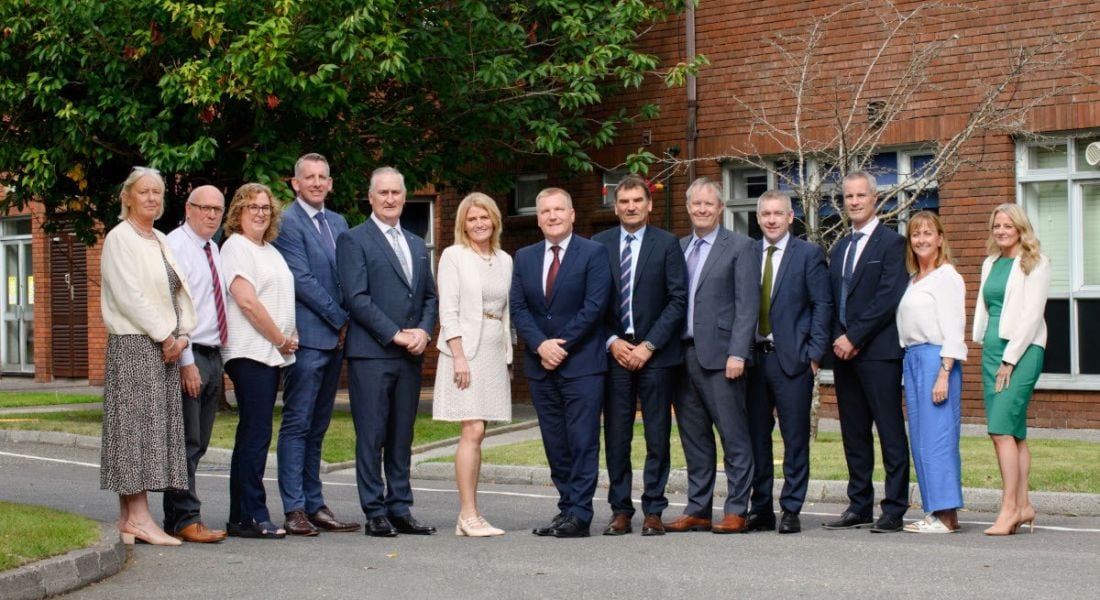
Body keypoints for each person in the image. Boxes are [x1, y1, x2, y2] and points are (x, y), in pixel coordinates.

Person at [337, 166, 439, 537]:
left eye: (397, 192)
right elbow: (356, 298)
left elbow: (429, 296)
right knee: (372, 434)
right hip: (373, 354)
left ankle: (400, 508)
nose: (391, 199)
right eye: (383, 193)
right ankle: (374, 511)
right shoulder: (354, 240)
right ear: (370, 197)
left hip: (411, 354)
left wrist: (424, 332)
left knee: (401, 436)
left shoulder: (416, 242)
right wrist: (395, 334)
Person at [100, 166, 196, 546]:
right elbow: (130, 296)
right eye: (144, 192)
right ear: (127, 197)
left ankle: (129, 518)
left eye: (157, 192)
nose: (153, 199)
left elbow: (177, 292)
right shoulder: (119, 238)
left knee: (151, 430)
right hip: (135, 344)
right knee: (134, 431)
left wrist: (183, 334)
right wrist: (165, 335)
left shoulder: (158, 237)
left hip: (164, 345)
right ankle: (140, 518)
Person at [510, 187, 611, 538]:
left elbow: (595, 307)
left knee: (582, 440)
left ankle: (581, 514)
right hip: (541, 366)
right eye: (545, 211)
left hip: (581, 364)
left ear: (571, 214)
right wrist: (540, 345)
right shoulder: (524, 257)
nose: (552, 216)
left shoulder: (594, 253)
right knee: (556, 442)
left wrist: (559, 346)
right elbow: (519, 308)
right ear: (538, 218)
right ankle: (566, 507)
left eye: (558, 210)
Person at [592, 175, 687, 537]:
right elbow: (592, 304)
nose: (630, 206)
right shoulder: (598, 245)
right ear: (615, 206)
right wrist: (612, 340)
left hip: (656, 356)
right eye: (624, 201)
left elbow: (678, 300)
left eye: (637, 200)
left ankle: (654, 511)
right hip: (615, 354)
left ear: (648, 204)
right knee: (616, 436)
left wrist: (649, 346)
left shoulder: (667, 245)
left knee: (657, 435)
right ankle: (620, 511)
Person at [664, 177, 759, 535]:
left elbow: (747, 306)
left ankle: (737, 509)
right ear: (688, 207)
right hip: (682, 356)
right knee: (694, 438)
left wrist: (739, 353)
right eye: (696, 204)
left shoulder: (740, 246)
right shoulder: (679, 247)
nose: (702, 209)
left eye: (709, 204)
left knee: (733, 436)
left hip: (722, 359)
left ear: (720, 208)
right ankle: (698, 509)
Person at [271, 153, 359, 536]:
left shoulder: (338, 222)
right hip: (307, 338)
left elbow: (349, 275)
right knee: (297, 423)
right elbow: (302, 280)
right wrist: (340, 318)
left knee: (319, 425)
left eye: (323, 177)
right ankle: (294, 509)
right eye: (310, 177)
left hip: (335, 340)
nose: (317, 183)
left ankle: (314, 502)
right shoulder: (287, 223)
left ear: (330, 182)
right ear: (295, 183)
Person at [822, 171, 910, 533]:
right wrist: (838, 340)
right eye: (848, 196)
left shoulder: (893, 244)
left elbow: (887, 296)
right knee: (853, 433)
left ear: (875, 198)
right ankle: (859, 505)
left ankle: (894, 508)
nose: (854, 202)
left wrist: (854, 336)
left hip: (878, 353)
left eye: (860, 195)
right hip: (844, 356)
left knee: (889, 432)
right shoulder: (840, 247)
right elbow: (831, 300)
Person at [746, 190, 832, 535]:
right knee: (756, 439)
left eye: (777, 213)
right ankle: (761, 508)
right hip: (753, 361)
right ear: (757, 218)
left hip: (793, 361)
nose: (771, 219)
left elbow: (822, 307)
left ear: (790, 216)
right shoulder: (747, 253)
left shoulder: (809, 254)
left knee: (794, 439)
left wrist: (814, 357)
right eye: (765, 214)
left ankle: (792, 508)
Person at [432, 193, 513, 537]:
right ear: (462, 223)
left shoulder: (505, 259)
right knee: (473, 430)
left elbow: (507, 312)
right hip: (465, 350)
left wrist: (508, 357)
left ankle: (471, 515)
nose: (479, 223)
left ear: (494, 220)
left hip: (495, 348)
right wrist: (459, 356)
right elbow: (447, 310)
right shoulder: (454, 256)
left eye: (485, 217)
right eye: (472, 218)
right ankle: (468, 514)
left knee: (480, 431)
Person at [221, 183, 299, 539]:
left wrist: (286, 340)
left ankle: (243, 515)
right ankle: (251, 515)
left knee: (256, 434)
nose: (260, 212)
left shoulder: (268, 249)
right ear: (238, 211)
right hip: (250, 351)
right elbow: (247, 302)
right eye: (252, 206)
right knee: (254, 435)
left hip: (270, 354)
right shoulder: (237, 247)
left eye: (266, 207)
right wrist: (281, 339)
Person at [972, 203, 1049, 536]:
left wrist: (1010, 359)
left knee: (1001, 428)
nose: (1001, 231)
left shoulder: (1036, 263)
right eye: (996, 226)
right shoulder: (991, 263)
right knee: (1011, 433)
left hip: (1022, 351)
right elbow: (987, 308)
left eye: (1007, 225)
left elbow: (1032, 316)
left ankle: (1009, 510)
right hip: (992, 351)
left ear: (1020, 228)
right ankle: (1024, 504)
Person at [161, 185, 230, 544]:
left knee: (198, 442)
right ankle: (187, 518)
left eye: (217, 209)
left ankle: (176, 518)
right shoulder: (176, 244)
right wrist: (187, 363)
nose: (211, 215)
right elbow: (173, 306)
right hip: (191, 354)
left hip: (212, 353)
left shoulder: (213, 247)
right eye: (204, 208)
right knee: (187, 440)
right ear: (188, 209)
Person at [897, 211, 967, 534]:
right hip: (913, 359)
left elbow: (954, 327)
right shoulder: (914, 280)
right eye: (915, 234)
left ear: (940, 239)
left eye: (928, 233)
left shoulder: (946, 276)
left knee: (938, 438)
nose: (922, 239)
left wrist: (944, 371)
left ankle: (948, 515)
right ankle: (933, 511)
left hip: (937, 360)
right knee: (921, 440)